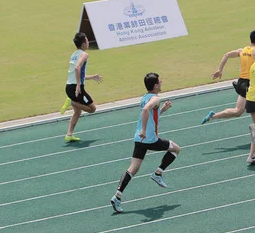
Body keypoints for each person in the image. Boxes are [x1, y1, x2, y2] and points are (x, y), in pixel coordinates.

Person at [110, 73, 181, 213]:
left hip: (139, 138)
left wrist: (162, 111)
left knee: (134, 167)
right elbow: (146, 110)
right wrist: (143, 129)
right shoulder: (155, 98)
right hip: (149, 139)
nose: (161, 82)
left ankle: (117, 196)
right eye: (160, 81)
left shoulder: (145, 97)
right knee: (176, 149)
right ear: (155, 85)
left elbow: (150, 116)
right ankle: (158, 174)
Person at [202, 30, 255, 124]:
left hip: (241, 82)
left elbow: (226, 55)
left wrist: (220, 70)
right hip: (249, 83)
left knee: (242, 110)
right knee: (240, 110)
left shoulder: (242, 50)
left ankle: (214, 116)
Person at [60, 32, 103, 142]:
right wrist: (79, 85)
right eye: (87, 41)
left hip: (69, 86)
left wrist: (91, 77)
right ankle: (72, 102)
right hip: (76, 88)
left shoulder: (74, 54)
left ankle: (69, 135)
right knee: (92, 108)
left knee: (78, 112)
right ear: (83, 43)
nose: (88, 43)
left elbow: (76, 73)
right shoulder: (84, 55)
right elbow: (77, 68)